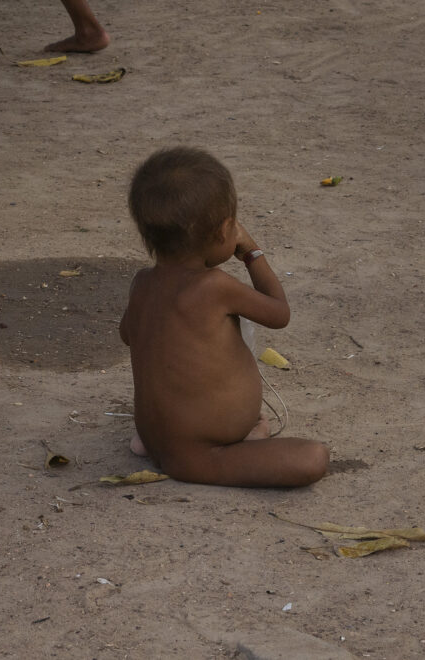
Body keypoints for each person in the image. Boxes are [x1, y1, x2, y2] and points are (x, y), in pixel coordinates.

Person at [118, 146, 328, 488]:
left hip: (156, 439)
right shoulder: (214, 286)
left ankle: (159, 445)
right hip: (200, 455)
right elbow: (279, 313)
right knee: (313, 457)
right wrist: (252, 253)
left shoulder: (142, 283)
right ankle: (227, 448)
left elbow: (127, 334)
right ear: (224, 231)